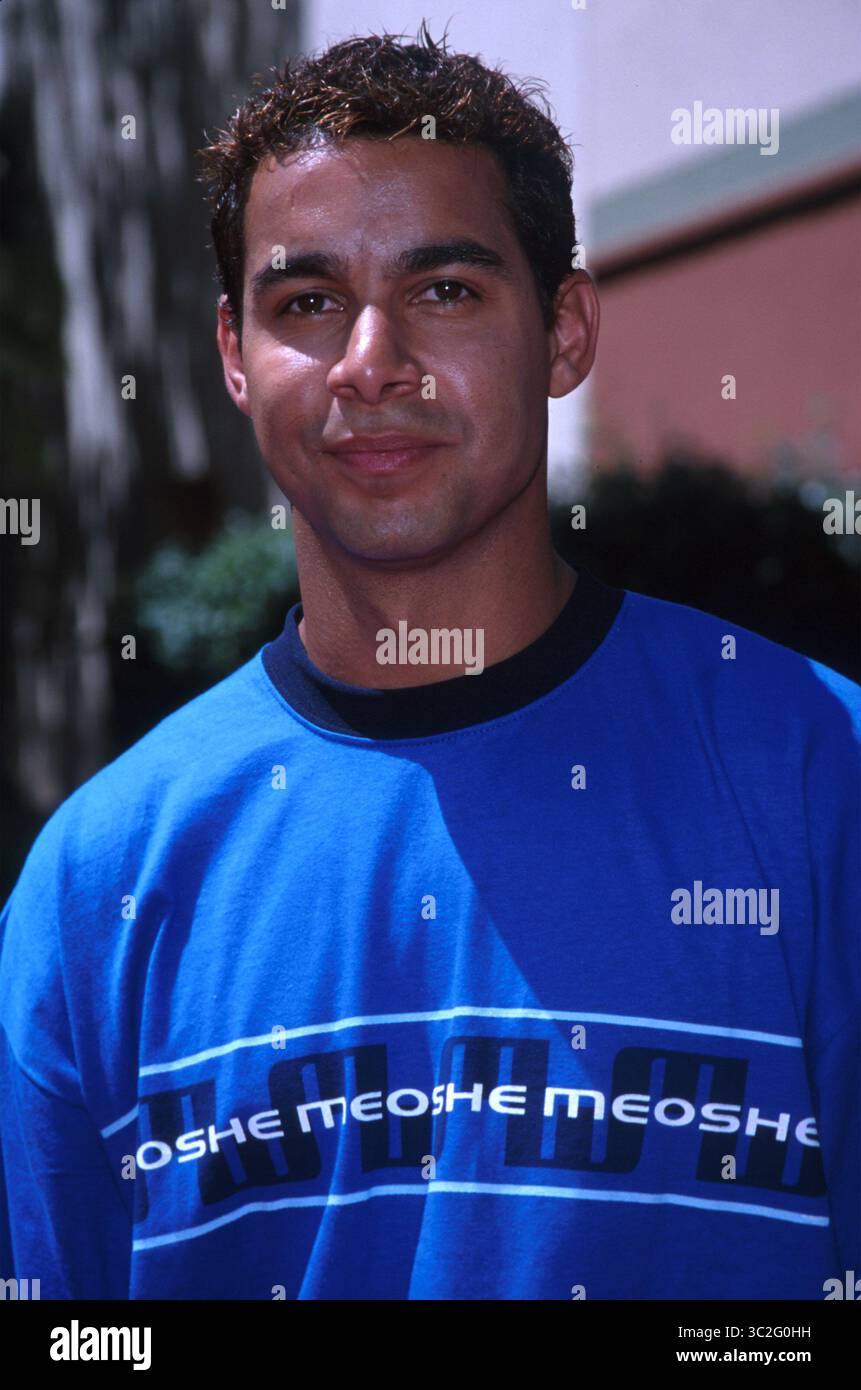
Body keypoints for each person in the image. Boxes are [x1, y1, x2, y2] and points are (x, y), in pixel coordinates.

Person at [1, 25, 858, 1301]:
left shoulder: (819, 773)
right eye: (306, 304)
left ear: (565, 330)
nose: (369, 364)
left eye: (444, 289)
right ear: (235, 355)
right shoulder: (98, 880)